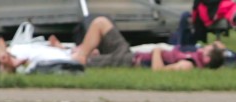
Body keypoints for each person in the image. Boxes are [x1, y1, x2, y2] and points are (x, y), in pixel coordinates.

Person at [68, 15, 227, 70]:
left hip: (129, 61)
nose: (206, 46)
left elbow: (158, 71)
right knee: (101, 22)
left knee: (80, 62)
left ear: (207, 59)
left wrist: (157, 51)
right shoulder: (191, 53)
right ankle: (81, 52)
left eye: (210, 48)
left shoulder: (188, 64)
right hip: (130, 54)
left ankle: (78, 55)